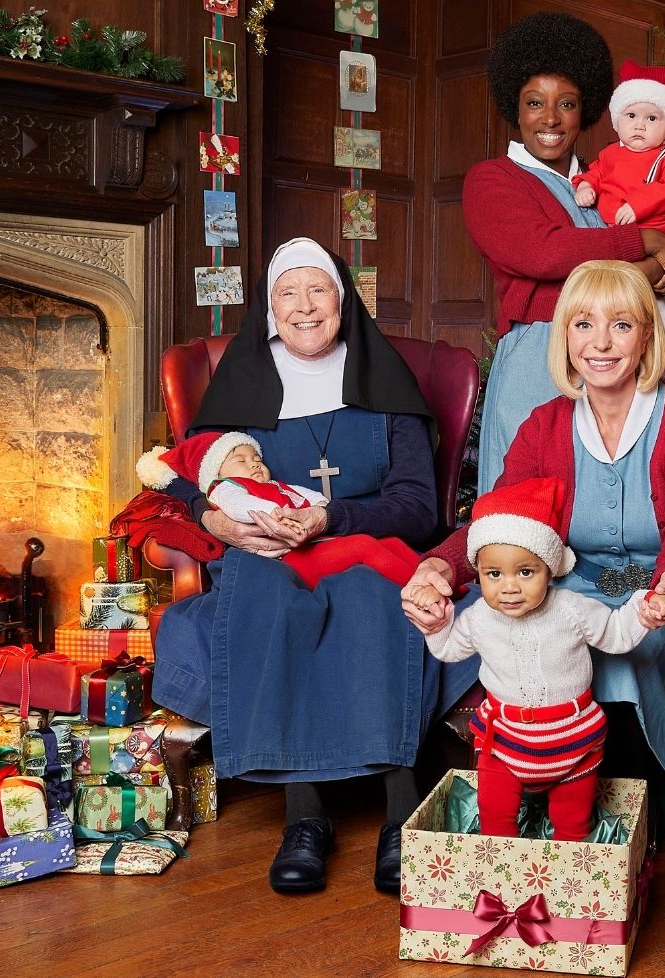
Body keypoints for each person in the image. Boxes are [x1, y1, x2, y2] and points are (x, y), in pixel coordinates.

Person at [149, 236, 445, 897]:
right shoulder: (244, 382)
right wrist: (213, 517)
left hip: (359, 542)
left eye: (319, 292)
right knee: (272, 599)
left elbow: (420, 506)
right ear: (269, 306)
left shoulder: (384, 379)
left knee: (372, 593)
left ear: (342, 302)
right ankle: (305, 818)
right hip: (268, 555)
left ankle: (403, 811)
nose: (304, 307)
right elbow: (185, 476)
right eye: (289, 293)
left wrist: (331, 518)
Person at [402, 259, 665, 804]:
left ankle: (625, 824)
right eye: (583, 324)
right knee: (550, 631)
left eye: (621, 325)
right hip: (573, 591)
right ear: (564, 336)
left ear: (648, 335)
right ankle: (546, 806)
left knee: (627, 650)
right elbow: (494, 526)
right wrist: (439, 567)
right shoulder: (544, 426)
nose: (600, 343)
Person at [464, 11, 665, 494]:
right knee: (532, 514)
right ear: (515, 108)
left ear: (588, 111)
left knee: (636, 508)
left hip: (633, 361)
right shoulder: (493, 179)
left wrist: (663, 251)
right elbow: (539, 251)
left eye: (567, 104)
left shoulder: (607, 179)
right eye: (535, 103)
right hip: (540, 364)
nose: (550, 119)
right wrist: (644, 244)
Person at [409, 477, 665, 841]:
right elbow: (447, 649)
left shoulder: (571, 609)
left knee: (572, 823)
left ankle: (565, 883)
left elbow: (615, 634)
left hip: (572, 741)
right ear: (478, 573)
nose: (509, 587)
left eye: (525, 572)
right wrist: (439, 624)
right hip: (504, 740)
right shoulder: (478, 617)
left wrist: (644, 611)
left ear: (549, 570)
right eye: (493, 574)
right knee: (496, 818)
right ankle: (503, 877)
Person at [137, 430, 421, 588]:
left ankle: (436, 581)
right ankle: (423, 590)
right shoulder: (224, 488)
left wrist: (323, 510)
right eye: (241, 460)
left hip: (319, 540)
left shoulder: (277, 486)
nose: (254, 464)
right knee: (364, 547)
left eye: (257, 458)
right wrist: (274, 515)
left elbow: (308, 497)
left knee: (390, 542)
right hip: (289, 560)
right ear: (217, 473)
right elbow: (242, 508)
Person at [571, 60, 665, 383]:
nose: (640, 126)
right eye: (631, 116)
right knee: (642, 302)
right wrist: (586, 186)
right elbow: (596, 174)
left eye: (652, 118)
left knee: (638, 292)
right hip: (622, 234)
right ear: (617, 121)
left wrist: (637, 205)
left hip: (658, 230)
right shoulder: (610, 155)